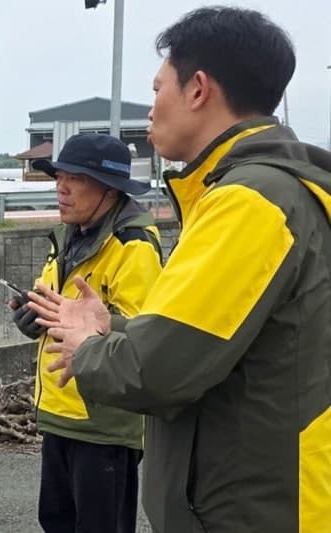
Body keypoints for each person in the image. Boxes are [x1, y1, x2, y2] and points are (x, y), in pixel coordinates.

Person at [27, 7, 331, 533]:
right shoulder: (276, 189)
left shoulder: (250, 201)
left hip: (251, 508)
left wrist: (87, 347)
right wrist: (114, 329)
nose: (151, 109)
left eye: (157, 88)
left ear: (198, 90)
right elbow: (208, 337)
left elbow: (157, 371)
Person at [12, 133, 162, 533]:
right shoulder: (66, 238)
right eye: (59, 176)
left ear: (109, 189)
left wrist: (90, 320)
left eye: (75, 179)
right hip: (59, 411)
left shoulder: (133, 244)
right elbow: (59, 308)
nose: (61, 188)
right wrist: (33, 317)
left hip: (103, 421)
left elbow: (143, 335)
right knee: (57, 522)